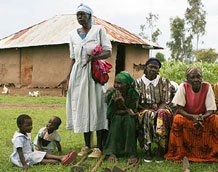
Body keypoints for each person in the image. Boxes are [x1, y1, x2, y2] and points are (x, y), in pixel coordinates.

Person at [60, 3, 112, 158]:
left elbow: (108, 51)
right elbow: (73, 58)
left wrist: (94, 57)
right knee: (82, 107)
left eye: (82, 14)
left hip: (95, 74)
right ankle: (87, 146)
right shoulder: (72, 34)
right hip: (78, 75)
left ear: (90, 16)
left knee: (97, 107)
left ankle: (99, 147)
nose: (80, 17)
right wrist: (67, 77)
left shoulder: (99, 30)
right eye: (78, 15)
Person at [165, 66, 218, 162]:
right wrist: (192, 117)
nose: (196, 80)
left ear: (202, 77)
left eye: (198, 77)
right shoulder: (183, 86)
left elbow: (211, 110)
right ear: (187, 79)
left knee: (215, 119)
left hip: (203, 117)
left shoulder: (207, 86)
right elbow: (179, 108)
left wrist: (201, 117)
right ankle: (179, 152)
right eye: (192, 77)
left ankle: (212, 153)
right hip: (187, 116)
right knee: (177, 119)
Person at [135, 58, 174, 163]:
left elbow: (166, 100)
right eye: (151, 67)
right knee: (148, 115)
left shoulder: (164, 81)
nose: (153, 69)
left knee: (162, 115)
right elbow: (136, 101)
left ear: (158, 70)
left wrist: (158, 110)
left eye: (155, 68)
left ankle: (161, 149)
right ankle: (148, 150)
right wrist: (146, 109)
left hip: (162, 108)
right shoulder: (138, 82)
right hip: (144, 108)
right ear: (146, 68)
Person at [10, 114, 76, 171]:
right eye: (28, 125)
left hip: (29, 154)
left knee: (43, 154)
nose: (31, 127)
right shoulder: (19, 138)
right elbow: (20, 152)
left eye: (31, 125)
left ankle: (62, 157)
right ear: (20, 125)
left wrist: (34, 152)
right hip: (23, 158)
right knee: (42, 160)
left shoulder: (26, 133)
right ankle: (60, 161)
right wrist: (24, 164)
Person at [103, 71, 139, 164]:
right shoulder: (111, 93)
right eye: (115, 82)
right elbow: (112, 111)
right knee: (117, 120)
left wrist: (123, 103)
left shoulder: (133, 93)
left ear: (127, 84)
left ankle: (131, 153)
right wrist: (117, 103)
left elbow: (133, 110)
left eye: (120, 83)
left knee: (129, 120)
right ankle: (111, 152)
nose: (116, 85)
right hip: (116, 114)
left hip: (130, 115)